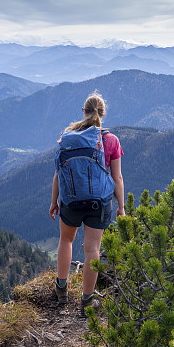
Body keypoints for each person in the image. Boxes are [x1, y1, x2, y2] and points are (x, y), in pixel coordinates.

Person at [49, 91, 125, 317]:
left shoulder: (68, 137)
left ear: (83, 112)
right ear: (103, 114)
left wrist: (54, 202)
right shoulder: (110, 140)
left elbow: (58, 174)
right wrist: (121, 207)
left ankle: (61, 290)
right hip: (99, 204)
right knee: (92, 249)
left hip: (70, 200)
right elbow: (117, 177)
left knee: (65, 240)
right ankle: (86, 301)